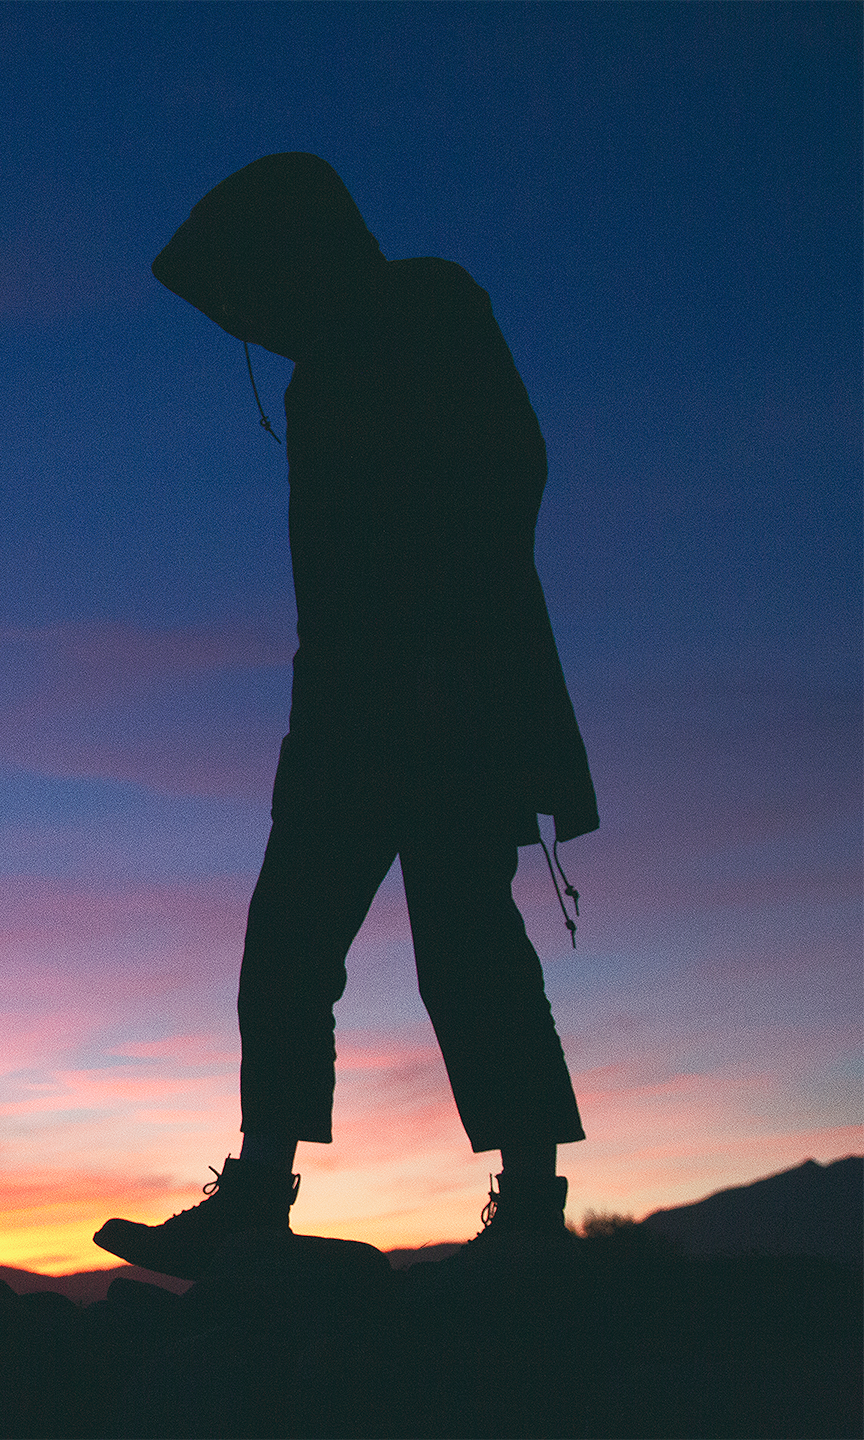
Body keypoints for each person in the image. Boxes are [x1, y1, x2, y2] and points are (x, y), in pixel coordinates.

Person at [95, 153, 598, 1280]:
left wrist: (444, 647)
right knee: (287, 944)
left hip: (450, 692)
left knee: (463, 947)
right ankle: (260, 1195)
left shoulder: (431, 305)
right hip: (342, 709)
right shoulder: (320, 376)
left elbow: (508, 469)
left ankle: (529, 1208)